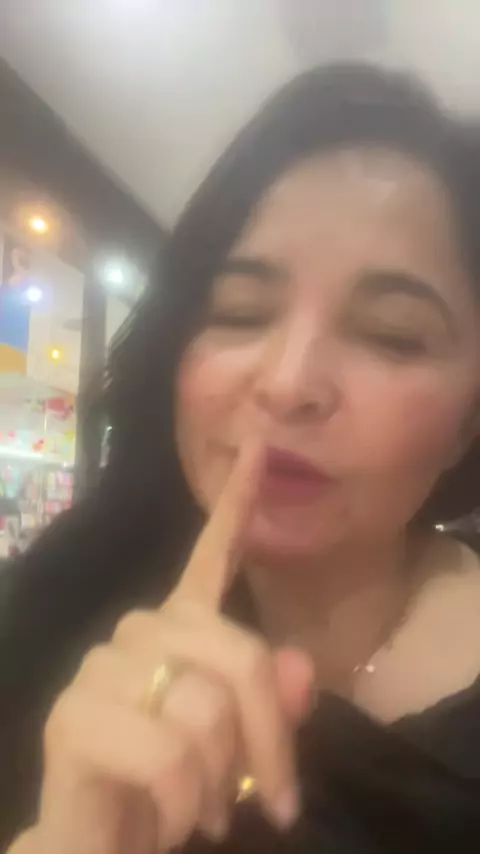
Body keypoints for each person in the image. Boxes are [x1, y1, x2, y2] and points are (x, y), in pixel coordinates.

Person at [4, 63, 480, 853]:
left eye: (391, 335)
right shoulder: (44, 619)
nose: (289, 384)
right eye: (241, 311)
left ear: (468, 423)